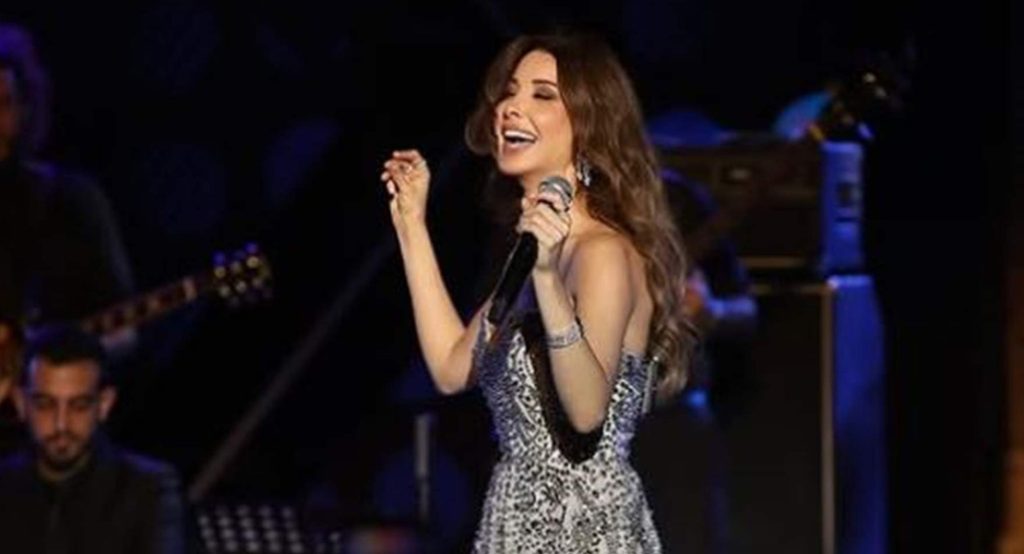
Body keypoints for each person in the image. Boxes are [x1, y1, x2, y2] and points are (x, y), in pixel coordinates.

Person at [381, 32, 693, 552]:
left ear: (588, 125)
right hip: (512, 523)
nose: (510, 108)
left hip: (583, 528)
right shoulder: (530, 256)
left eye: (542, 95)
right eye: (508, 92)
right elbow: (451, 368)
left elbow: (587, 412)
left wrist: (547, 280)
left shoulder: (602, 253)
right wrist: (412, 225)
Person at [0, 23, 135, 411]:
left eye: (3, 103)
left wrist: (65, 361)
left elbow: (125, 332)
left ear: (25, 109)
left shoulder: (71, 200)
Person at [0, 325, 186, 553]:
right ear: (21, 403)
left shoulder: (148, 489)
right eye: (45, 405)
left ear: (104, 404)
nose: (61, 424)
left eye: (79, 406)